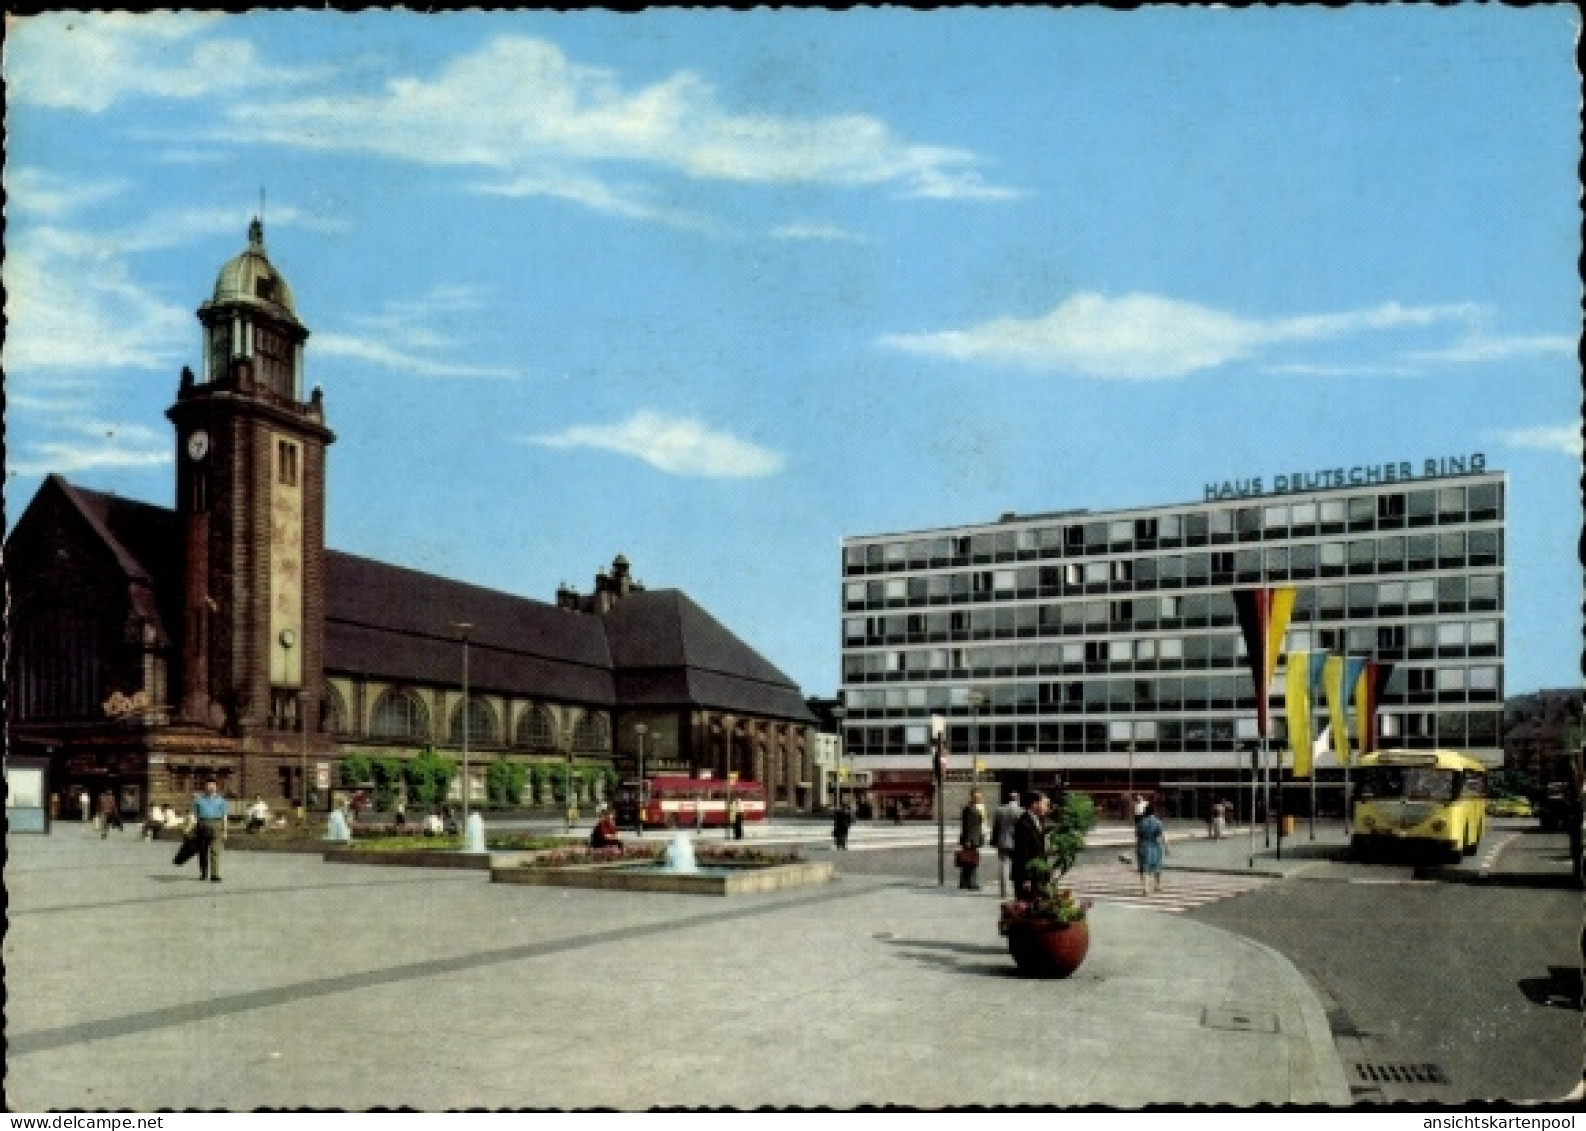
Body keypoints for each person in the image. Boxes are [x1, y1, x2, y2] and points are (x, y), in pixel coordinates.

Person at [1010, 792, 1049, 897]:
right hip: (1028, 877)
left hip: (1038, 873)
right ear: (1034, 804)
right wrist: (1026, 878)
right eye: (1045, 804)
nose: (1046, 807)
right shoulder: (1023, 823)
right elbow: (1022, 852)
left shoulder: (1038, 820)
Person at [192, 778, 229, 882]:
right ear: (205, 787)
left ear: (216, 787)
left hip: (217, 825)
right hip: (202, 825)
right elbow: (194, 816)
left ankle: (214, 875)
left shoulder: (222, 801)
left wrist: (225, 831)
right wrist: (189, 827)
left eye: (213, 785)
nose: (210, 787)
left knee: (215, 851)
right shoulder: (198, 800)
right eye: (208, 785)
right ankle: (203, 873)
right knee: (203, 851)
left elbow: (224, 816)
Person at [990, 790, 1023, 898]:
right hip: (1016, 842)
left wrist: (993, 841)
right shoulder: (1020, 811)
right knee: (1017, 866)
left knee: (1004, 865)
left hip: (1003, 840)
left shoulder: (1000, 810)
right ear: (1017, 799)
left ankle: (1004, 891)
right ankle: (1016, 889)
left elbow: (996, 827)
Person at [1135, 801, 1167, 896]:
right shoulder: (1158, 822)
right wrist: (1167, 847)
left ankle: (1146, 889)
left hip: (1143, 846)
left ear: (1145, 812)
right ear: (1153, 812)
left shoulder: (1141, 823)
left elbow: (1137, 837)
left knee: (1144, 868)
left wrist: (1137, 847)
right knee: (1157, 866)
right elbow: (1162, 836)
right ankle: (1157, 885)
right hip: (1154, 846)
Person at [957, 788, 986, 890]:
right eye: (978, 797)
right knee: (971, 862)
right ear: (973, 797)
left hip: (973, 838)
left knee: (967, 861)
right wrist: (968, 840)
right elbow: (968, 825)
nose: (980, 798)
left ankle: (964, 882)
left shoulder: (973, 808)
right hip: (971, 839)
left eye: (980, 796)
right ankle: (971, 883)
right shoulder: (970, 809)